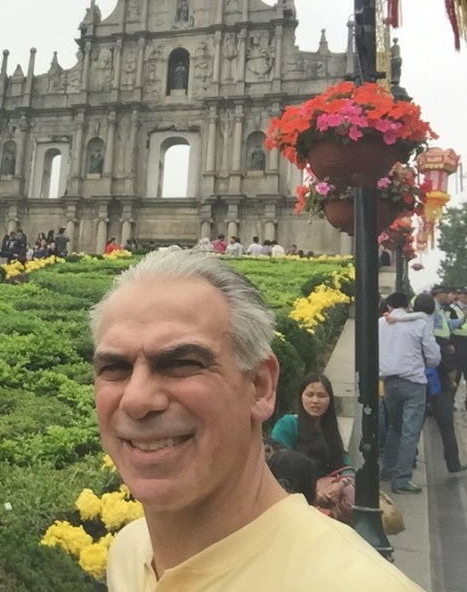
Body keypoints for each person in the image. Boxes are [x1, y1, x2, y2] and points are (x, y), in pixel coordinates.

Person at [92, 251, 421, 590]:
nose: (136, 399)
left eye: (182, 363)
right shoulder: (129, 551)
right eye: (114, 368)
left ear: (261, 386)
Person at [379, 291, 441, 493]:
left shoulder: (380, 324)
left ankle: (388, 469)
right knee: (410, 431)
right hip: (414, 383)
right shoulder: (419, 324)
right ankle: (401, 479)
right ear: (407, 306)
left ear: (389, 307)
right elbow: (433, 357)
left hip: (389, 383)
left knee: (394, 427)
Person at [270, 373, 353, 521]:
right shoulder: (288, 425)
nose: (315, 401)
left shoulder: (330, 429)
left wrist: (340, 485)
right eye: (310, 394)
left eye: (321, 396)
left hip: (329, 497)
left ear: (330, 400)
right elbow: (279, 463)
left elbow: (345, 465)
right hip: (293, 498)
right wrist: (313, 489)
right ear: (301, 396)